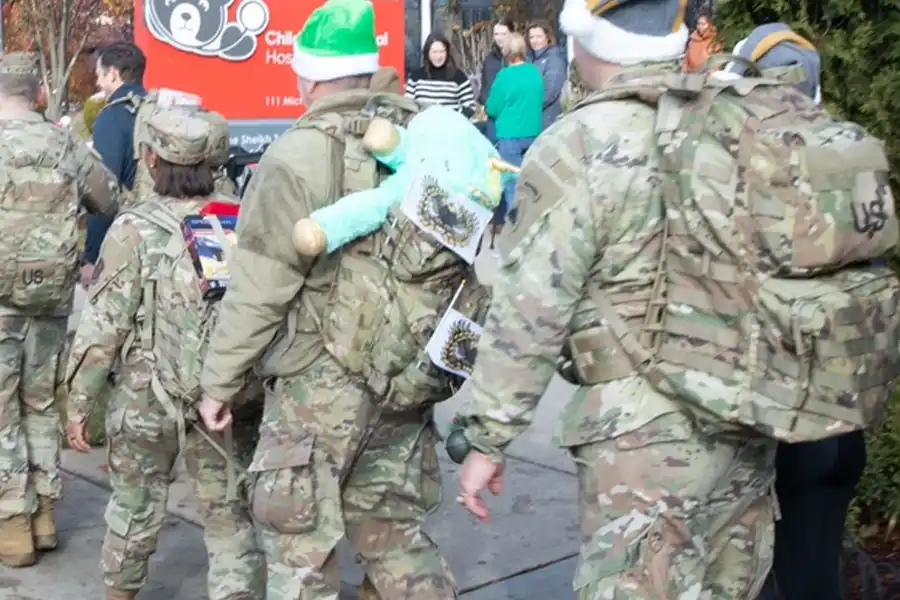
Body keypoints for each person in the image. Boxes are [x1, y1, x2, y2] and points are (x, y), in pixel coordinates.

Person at [453, 0, 779, 596]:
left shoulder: (579, 144)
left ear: (587, 41)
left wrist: (488, 438)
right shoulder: (740, 123)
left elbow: (530, 312)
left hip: (643, 439)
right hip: (748, 419)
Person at [197, 1, 461, 599]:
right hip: (404, 371)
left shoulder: (296, 154)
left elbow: (262, 288)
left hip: (318, 388)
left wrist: (219, 383)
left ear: (309, 77)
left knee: (300, 551)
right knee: (395, 536)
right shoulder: (422, 135)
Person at [64, 106, 265, 600]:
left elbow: (102, 328)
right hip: (227, 394)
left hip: (146, 397)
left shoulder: (136, 227)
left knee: (134, 505)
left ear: (152, 158)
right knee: (228, 515)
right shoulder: (244, 218)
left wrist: (78, 404)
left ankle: (120, 592)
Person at [722, 24, 853, 600]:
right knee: (817, 560)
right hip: (842, 410)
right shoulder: (854, 160)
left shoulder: (745, 173)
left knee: (755, 571)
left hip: (773, 416)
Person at [0, 51, 121, 568]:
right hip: (51, 299)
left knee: (2, 414)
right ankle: (45, 517)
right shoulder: (66, 141)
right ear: (39, 94)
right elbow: (110, 199)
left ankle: (12, 528)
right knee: (42, 404)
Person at [84, 42, 147, 286]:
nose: (98, 83)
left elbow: (103, 190)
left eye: (100, 75)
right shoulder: (158, 109)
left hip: (130, 238)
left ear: (113, 74)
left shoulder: (112, 115)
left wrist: (91, 257)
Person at [484, 32, 543, 248]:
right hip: (533, 133)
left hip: (510, 135)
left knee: (511, 187)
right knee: (530, 185)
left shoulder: (504, 76)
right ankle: (532, 230)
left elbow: (492, 107)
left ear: (507, 52)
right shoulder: (534, 72)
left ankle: (516, 236)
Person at [405, 32, 477, 116]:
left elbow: (470, 107)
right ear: (427, 53)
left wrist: (454, 119)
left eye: (442, 51)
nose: (438, 56)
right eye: (434, 52)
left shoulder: (459, 77)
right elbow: (407, 106)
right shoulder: (415, 77)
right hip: (422, 126)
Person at [478, 15, 515, 143]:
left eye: (504, 34)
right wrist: (483, 103)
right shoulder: (490, 58)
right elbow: (485, 84)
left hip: (512, 116)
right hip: (492, 117)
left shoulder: (518, 58)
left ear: (512, 34)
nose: (499, 38)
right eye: (496, 34)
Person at [526, 19, 568, 130]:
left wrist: (530, 107)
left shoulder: (555, 58)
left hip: (547, 119)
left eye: (539, 36)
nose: (535, 40)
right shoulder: (529, 58)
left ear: (547, 37)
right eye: (531, 37)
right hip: (531, 119)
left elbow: (551, 90)